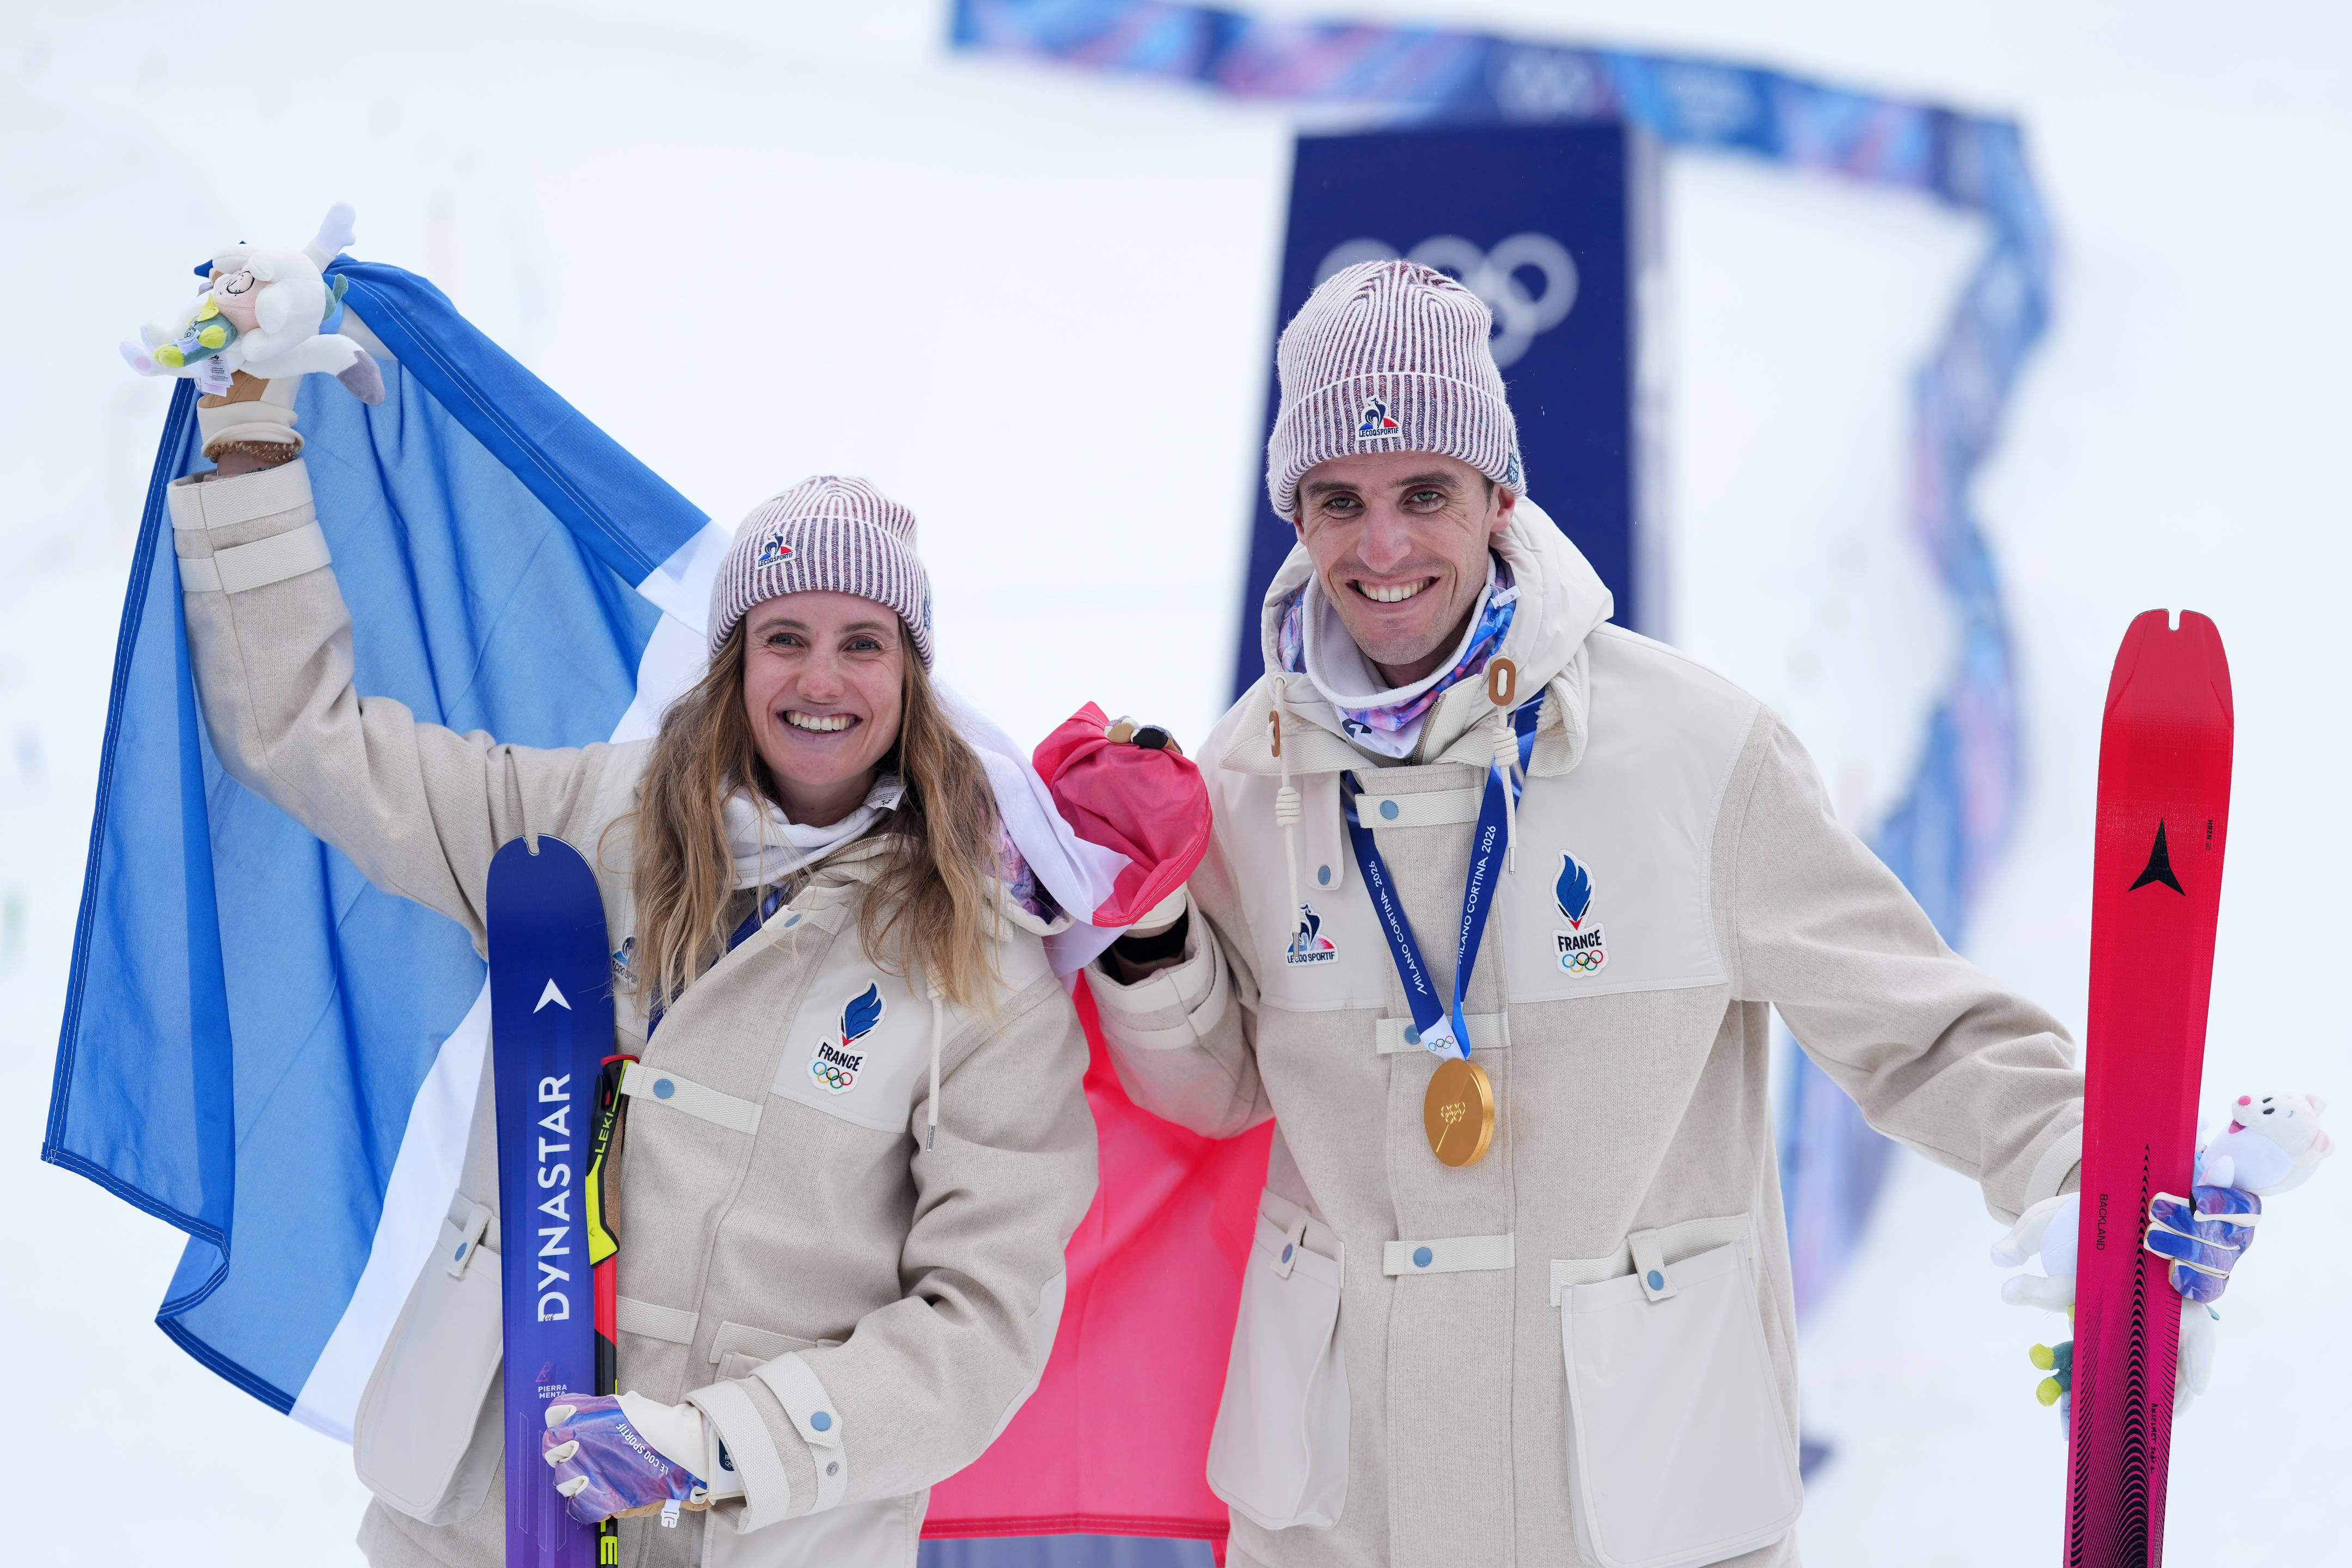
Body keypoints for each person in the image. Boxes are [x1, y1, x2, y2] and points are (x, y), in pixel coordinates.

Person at [1084, 260, 2283, 1568]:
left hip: (1632, 1512)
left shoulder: (1696, 750)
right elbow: (1218, 1093)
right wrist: (1148, 937)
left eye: (1424, 493)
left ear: (1500, 495)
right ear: (1296, 514)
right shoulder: (1246, 773)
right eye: (1339, 501)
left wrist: (2091, 1176)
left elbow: (1919, 1030)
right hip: (1340, 1513)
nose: (1382, 548)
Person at [174, 366, 1098, 1565]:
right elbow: (315, 743)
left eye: (864, 643)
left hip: (762, 1534)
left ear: (912, 679)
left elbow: (979, 1331)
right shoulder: (580, 830)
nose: (822, 681)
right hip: (480, 1513)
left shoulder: (978, 965)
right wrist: (251, 446)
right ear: (733, 661)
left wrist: (715, 1446)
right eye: (785, 639)